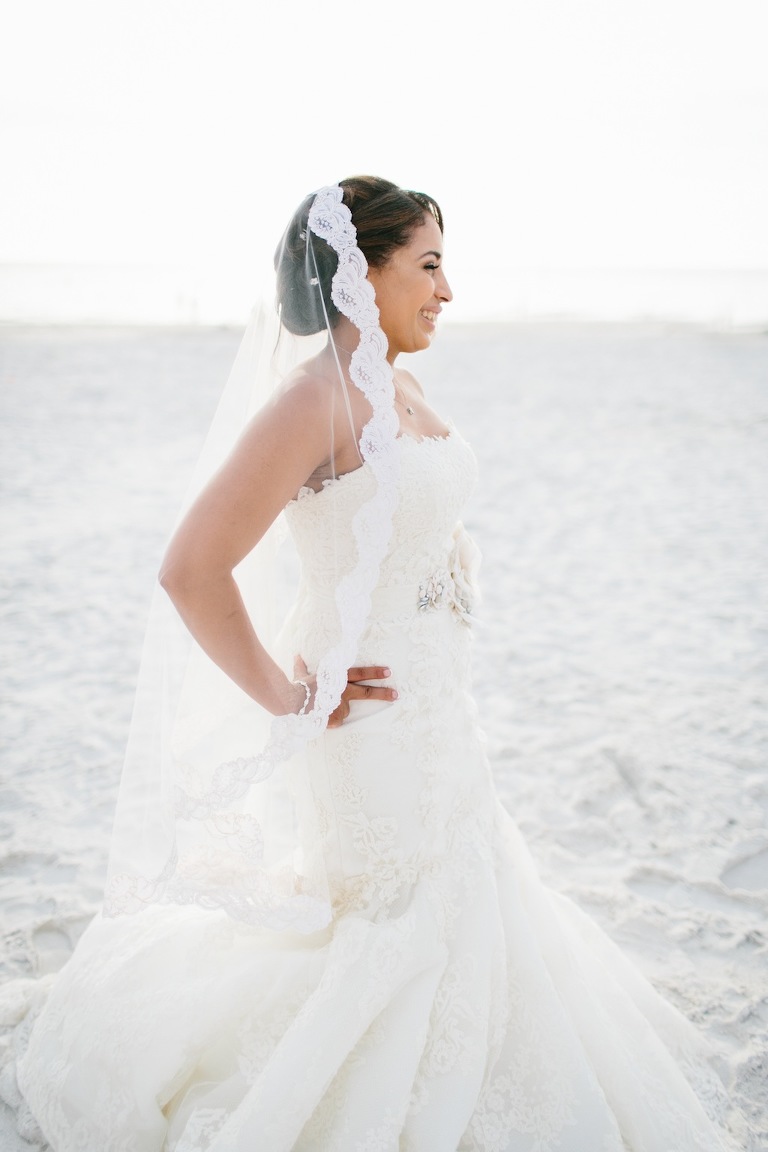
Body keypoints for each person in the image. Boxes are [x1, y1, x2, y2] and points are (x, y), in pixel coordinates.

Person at [2, 177, 741, 1150]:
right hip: (370, 731)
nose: (446, 290)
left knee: (471, 908)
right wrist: (291, 695)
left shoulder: (402, 388)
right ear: (363, 274)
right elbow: (191, 569)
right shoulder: (311, 405)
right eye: (428, 265)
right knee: (394, 929)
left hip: (443, 712)